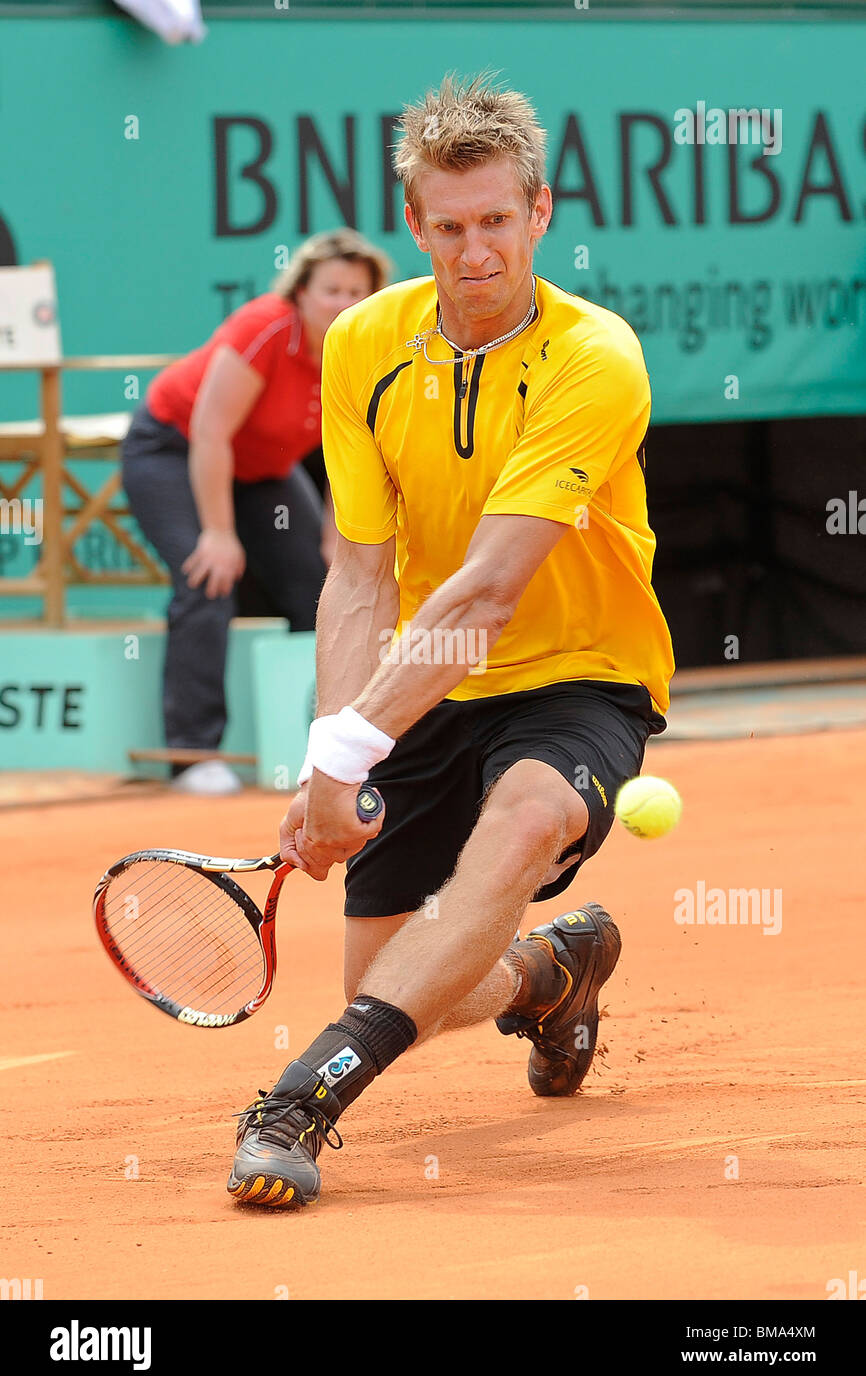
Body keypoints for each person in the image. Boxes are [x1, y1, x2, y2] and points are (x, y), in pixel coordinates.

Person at [226, 74, 675, 1208]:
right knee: (389, 973)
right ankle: (549, 967)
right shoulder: (363, 344)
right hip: (424, 682)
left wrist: (341, 759)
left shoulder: (595, 355)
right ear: (413, 225)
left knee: (525, 820)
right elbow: (361, 572)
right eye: (448, 225)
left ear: (539, 212)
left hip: (579, 667)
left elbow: (483, 591)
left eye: (495, 221)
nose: (474, 251)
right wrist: (335, 754)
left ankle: (303, 1096)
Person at [121, 230, 391, 794]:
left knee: (321, 586)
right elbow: (211, 432)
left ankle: (331, 750)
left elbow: (354, 452)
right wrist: (218, 532)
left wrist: (335, 536)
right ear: (299, 293)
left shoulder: (365, 347)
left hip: (264, 471)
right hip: (175, 450)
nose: (343, 302)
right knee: (208, 578)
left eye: (356, 291)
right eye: (330, 289)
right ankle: (193, 756)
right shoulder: (264, 328)